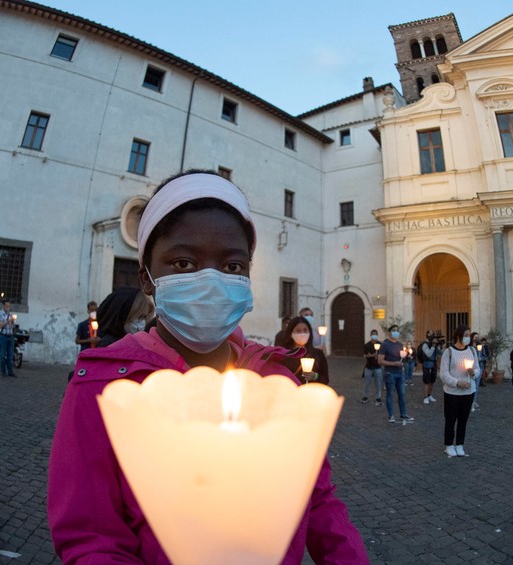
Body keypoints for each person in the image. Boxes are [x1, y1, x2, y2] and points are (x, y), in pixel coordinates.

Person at [48, 171, 367, 564]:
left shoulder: (276, 383)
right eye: (183, 262)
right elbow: (92, 538)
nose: (211, 280)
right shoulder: (101, 389)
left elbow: (317, 501)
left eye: (233, 267)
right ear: (147, 279)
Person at [439, 325, 481, 457]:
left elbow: (478, 369)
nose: (468, 338)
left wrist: (473, 372)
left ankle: (460, 444)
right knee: (451, 419)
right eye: (466, 335)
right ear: (458, 335)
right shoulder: (449, 352)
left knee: (463, 420)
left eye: (469, 335)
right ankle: (449, 445)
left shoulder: (472, 351)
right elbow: (444, 374)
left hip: (468, 392)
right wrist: (457, 383)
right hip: (452, 393)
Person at [377, 324, 413, 423]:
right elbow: (380, 361)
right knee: (390, 394)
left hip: (400, 373)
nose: (396, 332)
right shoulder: (385, 345)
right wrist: (393, 363)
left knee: (402, 394)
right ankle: (391, 415)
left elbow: (400, 358)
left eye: (397, 330)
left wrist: (405, 357)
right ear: (389, 332)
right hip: (390, 373)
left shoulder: (400, 344)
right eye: (394, 330)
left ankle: (403, 414)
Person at [280, 316, 329, 385]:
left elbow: (325, 379)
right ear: (291, 333)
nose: (302, 334)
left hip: (310, 393)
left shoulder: (318, 354)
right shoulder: (284, 355)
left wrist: (315, 376)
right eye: (298, 331)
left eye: (305, 330)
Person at [0, 300, 16, 377]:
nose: (8, 308)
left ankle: (11, 372)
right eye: (6, 306)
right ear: (4, 306)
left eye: (9, 306)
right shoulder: (0, 314)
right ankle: (3, 371)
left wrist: (13, 322)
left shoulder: (11, 314)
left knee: (10, 356)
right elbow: (0, 325)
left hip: (10, 336)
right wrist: (8, 321)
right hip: (3, 336)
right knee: (3, 356)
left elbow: (13, 326)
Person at [362, 329, 383, 404]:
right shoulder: (367, 345)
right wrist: (370, 356)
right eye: (373, 334)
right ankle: (365, 396)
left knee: (378, 383)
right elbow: (365, 355)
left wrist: (378, 355)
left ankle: (378, 397)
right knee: (366, 382)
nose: (374, 335)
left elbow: (382, 354)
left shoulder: (380, 344)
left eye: (375, 334)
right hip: (369, 366)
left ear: (377, 335)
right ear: (371, 335)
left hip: (378, 366)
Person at [420, 331, 439, 404]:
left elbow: (439, 352)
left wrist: (440, 346)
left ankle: (430, 395)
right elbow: (429, 354)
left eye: (433, 333)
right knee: (426, 381)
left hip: (434, 364)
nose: (432, 334)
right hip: (427, 364)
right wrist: (433, 346)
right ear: (427, 334)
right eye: (430, 333)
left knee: (432, 381)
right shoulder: (425, 345)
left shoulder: (433, 344)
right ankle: (425, 397)